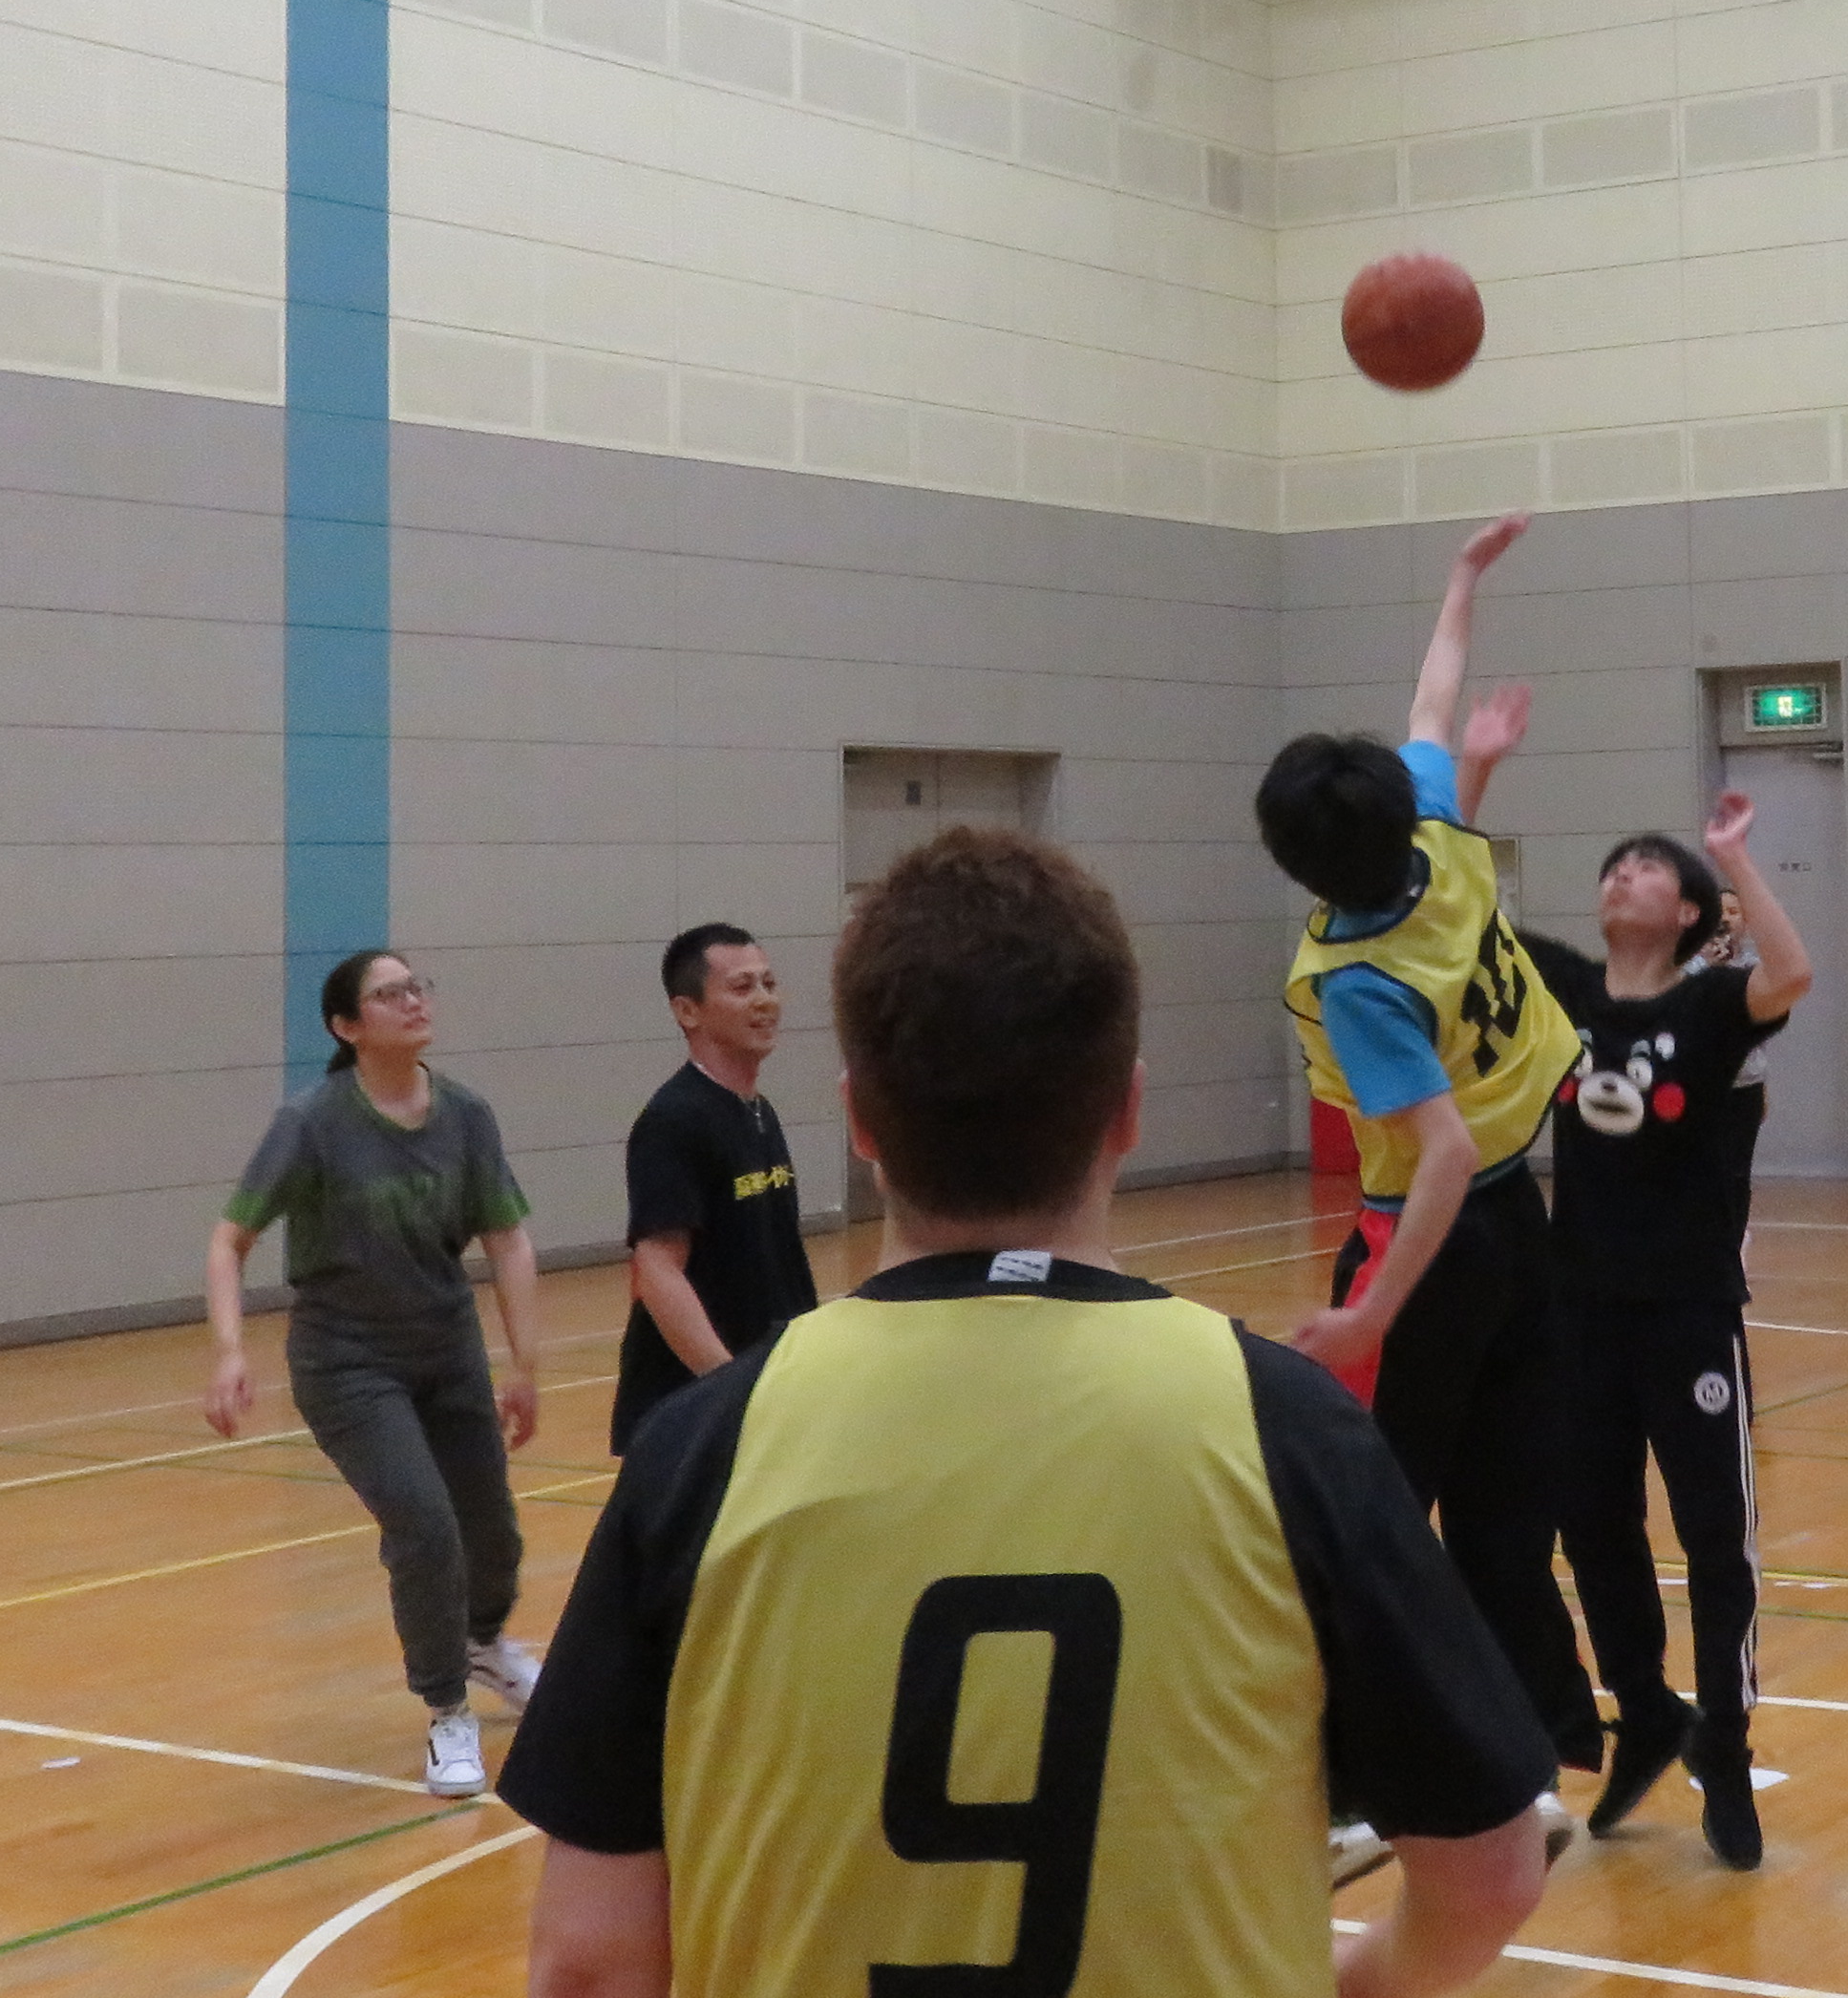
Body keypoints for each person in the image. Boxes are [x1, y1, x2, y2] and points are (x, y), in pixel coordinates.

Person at [506, 827, 1555, 1998]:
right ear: (1129, 1109)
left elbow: (587, 1963)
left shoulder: (700, 1448)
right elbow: (1492, 1871)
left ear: (859, 1120)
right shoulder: (1286, 1427)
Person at [1255, 510, 1597, 1792]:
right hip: (1524, 1228)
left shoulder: (1356, 979)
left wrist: (1371, 1312)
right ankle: (1547, 1735)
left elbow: (1438, 1155)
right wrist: (1461, 578)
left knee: (1370, 1515)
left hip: (1431, 1244)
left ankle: (1360, 1774)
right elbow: (1434, 696)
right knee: (1506, 1512)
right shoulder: (1445, 834)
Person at [1518, 795, 1808, 1869]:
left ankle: (1724, 1742)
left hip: (1688, 1313)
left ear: (1688, 909)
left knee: (1715, 1536)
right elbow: (1462, 922)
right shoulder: (1566, 991)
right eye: (1613, 865)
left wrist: (1736, 858)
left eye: (1645, 866)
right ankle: (1643, 1706)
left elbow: (1793, 972)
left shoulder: (1714, 1005)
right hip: (1579, 1310)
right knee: (1593, 1526)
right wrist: (1473, 772)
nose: (1620, 875)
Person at [202, 949, 546, 1800]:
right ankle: (446, 1708)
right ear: (347, 1026)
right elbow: (229, 1240)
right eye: (389, 995)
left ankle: (483, 1643)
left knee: (491, 1532)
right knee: (425, 1526)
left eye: (416, 987)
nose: (412, 1001)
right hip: (348, 1360)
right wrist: (231, 1351)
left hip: (447, 1349)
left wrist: (524, 1363)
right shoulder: (312, 1123)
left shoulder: (466, 1115)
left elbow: (507, 1239)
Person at [615, 924, 818, 1457]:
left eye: (769, 983)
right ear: (688, 1011)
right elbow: (657, 1270)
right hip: (695, 1407)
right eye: (742, 987)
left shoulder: (759, 1112)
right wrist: (727, 1386)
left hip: (768, 1383)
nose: (765, 1000)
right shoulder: (673, 1120)